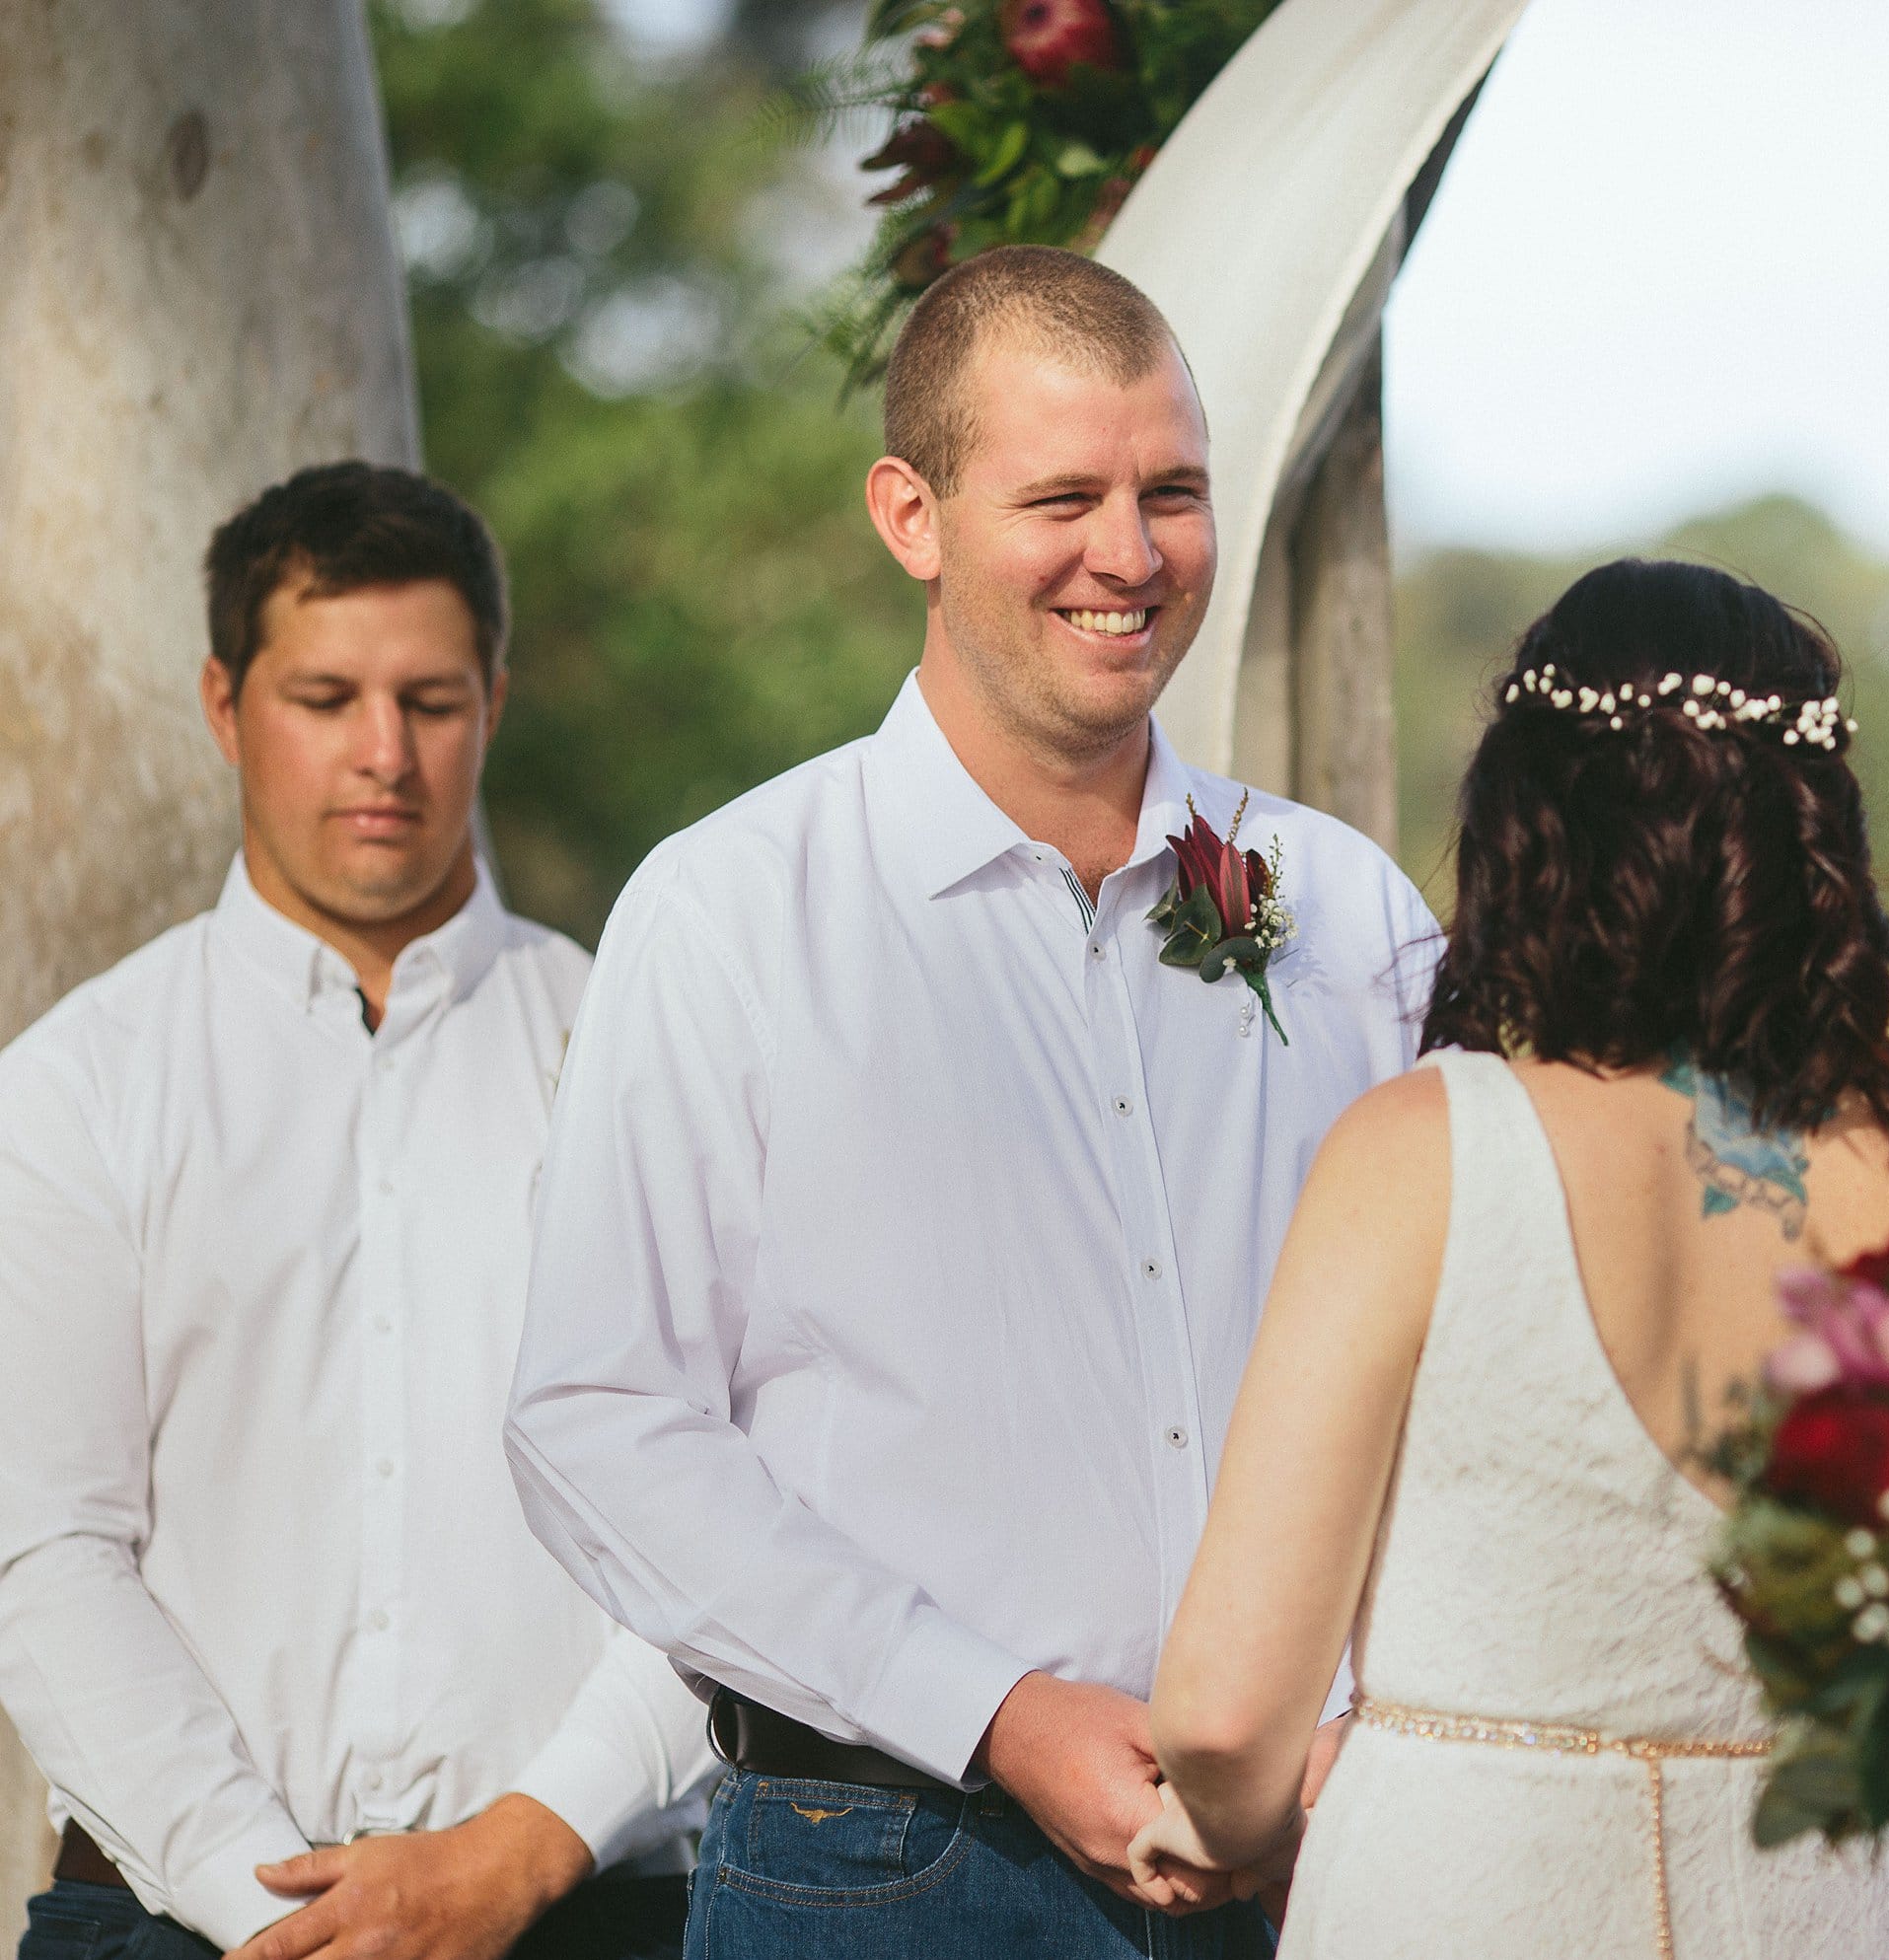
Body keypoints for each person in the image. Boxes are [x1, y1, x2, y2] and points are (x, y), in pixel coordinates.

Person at [501, 244, 1437, 1959]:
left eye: (1173, 493)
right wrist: (989, 1709)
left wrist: (1364, 1722)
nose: (1130, 555)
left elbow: (1453, 1370)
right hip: (885, 1865)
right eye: (1062, 498)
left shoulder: (1348, 910)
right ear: (911, 515)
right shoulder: (731, 913)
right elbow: (596, 1415)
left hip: (1314, 1857)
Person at [1122, 558, 1889, 1957]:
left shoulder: (1427, 1148)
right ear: (1811, 833)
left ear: (1529, 828)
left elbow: (1229, 1715)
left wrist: (1230, 1827)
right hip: (1834, 1905)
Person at [0, 464, 714, 1960]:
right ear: (223, 705)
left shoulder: (644, 1053)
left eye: (431, 701)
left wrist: (519, 1854)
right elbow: (43, 1548)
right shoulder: (77, 1086)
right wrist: (265, 1906)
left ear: (492, 704)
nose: (384, 753)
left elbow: (727, 1520)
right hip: (173, 1924)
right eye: (325, 698)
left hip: (587, 1908)